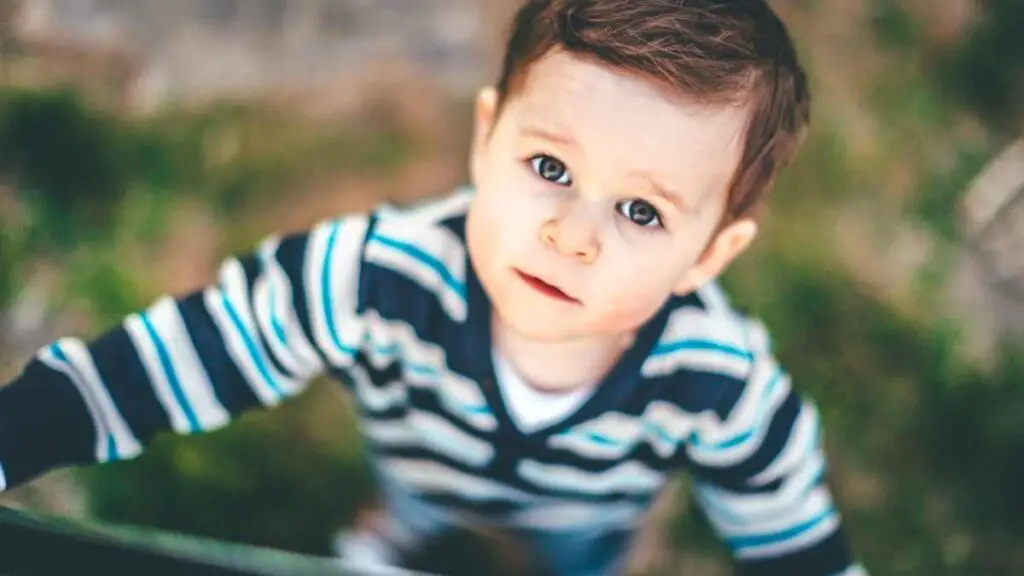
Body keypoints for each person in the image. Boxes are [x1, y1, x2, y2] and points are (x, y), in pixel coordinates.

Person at [0, 0, 868, 574]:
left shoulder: (719, 384)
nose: (572, 233)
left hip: (589, 521)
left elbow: (798, 544)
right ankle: (393, 541)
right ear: (485, 138)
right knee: (414, 515)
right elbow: (155, 370)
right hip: (422, 477)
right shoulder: (368, 280)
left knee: (588, 553)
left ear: (711, 254)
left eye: (642, 212)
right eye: (548, 165)